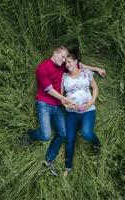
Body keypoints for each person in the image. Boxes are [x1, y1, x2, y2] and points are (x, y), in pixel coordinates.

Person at [27, 46, 105, 176]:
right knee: (50, 136)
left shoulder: (72, 68)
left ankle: (49, 159)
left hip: (67, 107)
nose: (65, 62)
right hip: (49, 105)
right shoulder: (45, 68)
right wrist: (67, 103)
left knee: (68, 134)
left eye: (67, 59)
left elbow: (81, 67)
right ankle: (29, 135)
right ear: (55, 53)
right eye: (63, 58)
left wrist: (96, 69)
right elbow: (51, 91)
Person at [61, 53, 102, 177]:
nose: (67, 65)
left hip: (87, 110)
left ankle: (97, 143)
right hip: (71, 113)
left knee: (86, 133)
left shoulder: (86, 72)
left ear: (76, 61)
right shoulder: (64, 77)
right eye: (66, 63)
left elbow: (94, 87)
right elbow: (61, 96)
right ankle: (68, 168)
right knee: (70, 139)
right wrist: (65, 105)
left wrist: (92, 101)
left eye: (69, 62)